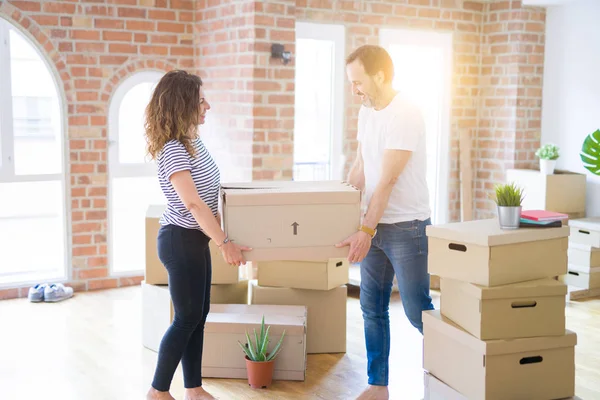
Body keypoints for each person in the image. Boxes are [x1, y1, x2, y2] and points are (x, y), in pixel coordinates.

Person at [143, 69, 251, 400]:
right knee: (187, 317)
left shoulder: (192, 142)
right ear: (183, 105)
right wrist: (224, 243)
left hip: (194, 240)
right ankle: (158, 391)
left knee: (197, 316)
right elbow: (193, 203)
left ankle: (194, 388)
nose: (208, 105)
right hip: (179, 241)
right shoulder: (174, 149)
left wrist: (228, 232)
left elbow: (210, 195)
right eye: (201, 100)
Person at [336, 45, 435, 400]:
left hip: (407, 227)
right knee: (372, 307)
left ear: (380, 75)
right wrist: (339, 205)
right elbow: (361, 169)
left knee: (416, 309)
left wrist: (365, 229)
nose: (354, 91)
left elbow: (388, 180)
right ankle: (378, 385)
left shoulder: (405, 113)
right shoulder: (367, 113)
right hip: (374, 224)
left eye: (358, 82)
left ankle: (458, 371)